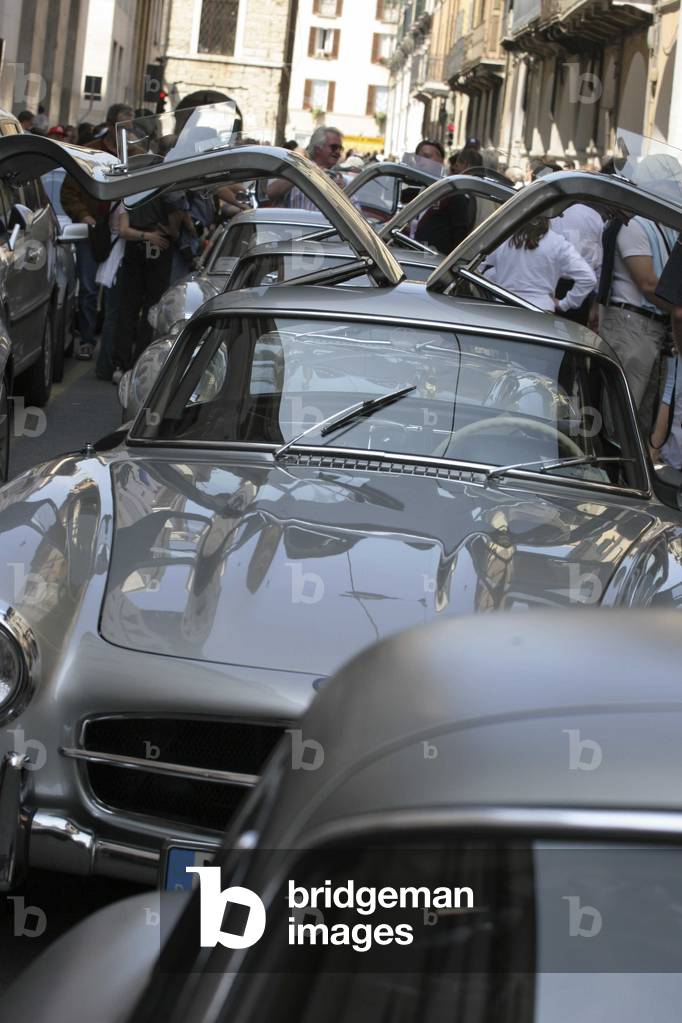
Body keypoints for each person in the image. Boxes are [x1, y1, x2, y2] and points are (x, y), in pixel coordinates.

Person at [60, 103, 134, 360]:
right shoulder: (88, 152)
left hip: (121, 232)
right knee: (89, 288)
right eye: (122, 126)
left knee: (115, 292)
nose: (126, 132)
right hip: (93, 229)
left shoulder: (135, 155)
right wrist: (85, 216)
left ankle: (111, 348)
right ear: (110, 125)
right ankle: (87, 338)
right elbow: (69, 192)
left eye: (130, 127)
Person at [112, 195, 181, 381]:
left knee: (128, 308)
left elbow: (124, 230)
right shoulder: (167, 190)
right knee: (152, 309)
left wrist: (144, 235)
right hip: (160, 248)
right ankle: (140, 364)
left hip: (134, 250)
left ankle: (120, 364)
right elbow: (175, 226)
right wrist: (163, 232)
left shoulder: (132, 191)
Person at [483, 216, 596, 313]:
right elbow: (588, 278)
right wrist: (565, 304)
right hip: (540, 309)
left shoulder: (504, 239)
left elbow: (476, 265)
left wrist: (492, 286)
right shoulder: (557, 243)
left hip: (505, 307)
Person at [414, 146, 483, 255]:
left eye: (427, 156)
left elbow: (460, 232)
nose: (421, 162)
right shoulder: (426, 187)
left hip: (435, 259)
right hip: (419, 252)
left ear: (441, 160)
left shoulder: (455, 191)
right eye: (418, 158)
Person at [266, 126, 344, 209]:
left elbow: (356, 212)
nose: (338, 152)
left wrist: (342, 194)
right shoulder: (294, 169)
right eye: (334, 147)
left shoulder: (339, 178)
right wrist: (305, 170)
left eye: (340, 148)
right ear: (318, 148)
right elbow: (269, 193)